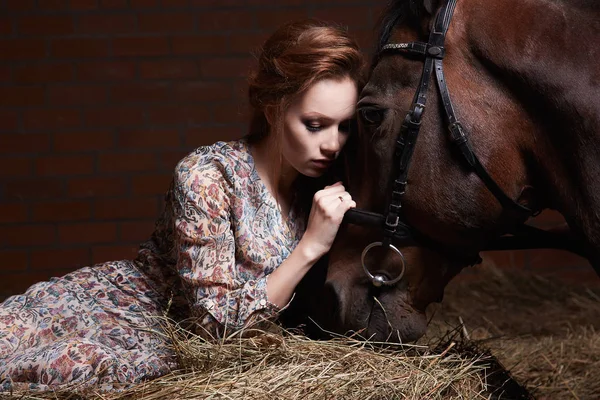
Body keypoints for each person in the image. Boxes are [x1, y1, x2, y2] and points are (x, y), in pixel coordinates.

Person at [0, 20, 365, 392]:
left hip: (178, 350)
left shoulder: (330, 186)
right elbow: (215, 329)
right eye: (315, 124)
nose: (332, 145)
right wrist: (311, 246)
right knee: (48, 360)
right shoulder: (206, 177)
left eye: (345, 127)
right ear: (273, 110)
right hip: (127, 313)